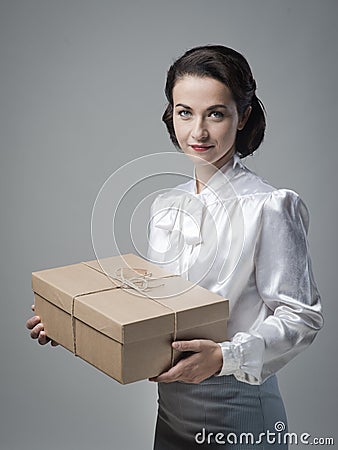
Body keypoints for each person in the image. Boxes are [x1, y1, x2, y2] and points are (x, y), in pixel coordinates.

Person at [27, 45, 324, 449]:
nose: (198, 132)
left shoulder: (269, 206)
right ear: (172, 114)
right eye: (185, 112)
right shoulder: (165, 206)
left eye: (215, 113)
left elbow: (302, 317)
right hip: (171, 410)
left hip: (240, 409)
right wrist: (71, 322)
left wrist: (224, 357)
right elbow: (155, 311)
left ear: (244, 116)